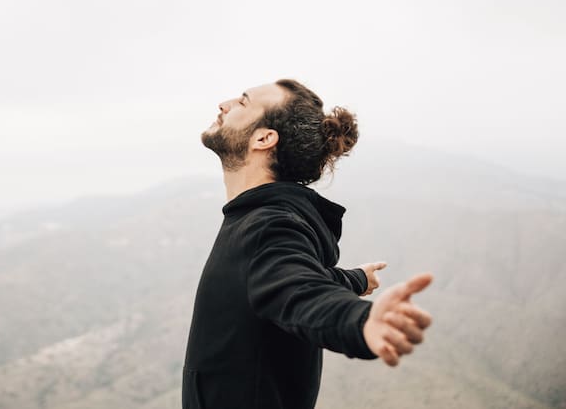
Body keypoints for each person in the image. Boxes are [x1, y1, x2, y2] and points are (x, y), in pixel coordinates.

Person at [182, 79, 433, 409]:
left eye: (242, 102)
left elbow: (301, 292)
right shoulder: (266, 219)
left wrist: (361, 322)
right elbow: (287, 277)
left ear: (264, 138)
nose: (224, 104)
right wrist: (356, 279)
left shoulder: (267, 226)